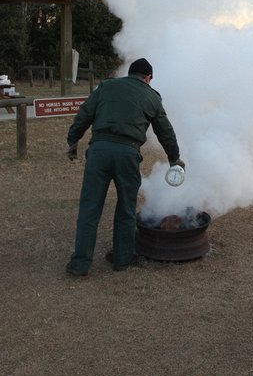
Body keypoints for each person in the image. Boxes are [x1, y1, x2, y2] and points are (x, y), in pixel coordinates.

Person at [64, 58, 185, 275]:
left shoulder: (106, 86)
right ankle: (123, 259)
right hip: (127, 154)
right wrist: (174, 158)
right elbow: (165, 131)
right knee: (126, 208)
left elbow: (84, 114)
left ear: (129, 73)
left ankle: (80, 264)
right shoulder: (152, 96)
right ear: (148, 78)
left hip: (98, 152)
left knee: (90, 208)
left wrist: (72, 141)